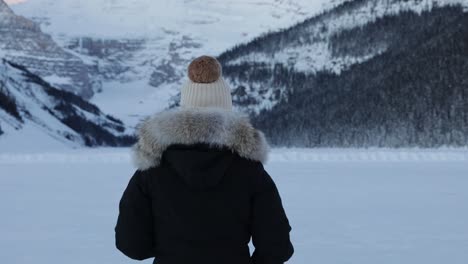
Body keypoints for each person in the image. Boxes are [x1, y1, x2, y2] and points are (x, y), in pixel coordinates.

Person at [115, 55, 294, 264]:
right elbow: (277, 246)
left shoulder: (151, 171)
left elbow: (131, 244)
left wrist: (172, 249)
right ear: (227, 109)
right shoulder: (250, 171)